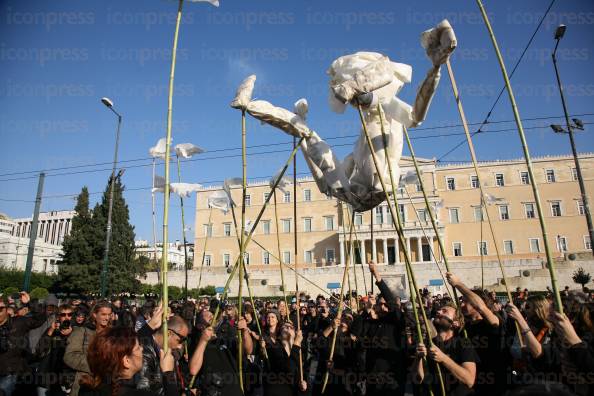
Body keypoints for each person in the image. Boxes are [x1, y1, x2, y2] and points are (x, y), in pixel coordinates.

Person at [446, 272, 506, 396]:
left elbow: (481, 307)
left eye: (465, 301)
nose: (461, 305)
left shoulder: (493, 321)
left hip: (494, 381)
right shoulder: (465, 329)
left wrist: (458, 284)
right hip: (472, 384)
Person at [78, 326, 176, 396]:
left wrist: (150, 325)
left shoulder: (88, 390)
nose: (142, 349)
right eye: (138, 348)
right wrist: (168, 373)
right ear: (126, 361)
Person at [415, 303, 478, 395]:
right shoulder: (428, 343)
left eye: (445, 311)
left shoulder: (464, 343)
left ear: (455, 323)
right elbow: (418, 379)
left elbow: (469, 380)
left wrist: (443, 358)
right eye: (440, 310)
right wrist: (419, 358)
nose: (438, 311)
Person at [189, 309, 252, 396]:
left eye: (212, 314)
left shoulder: (226, 337)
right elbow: (193, 370)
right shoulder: (196, 343)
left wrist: (245, 331)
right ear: (200, 325)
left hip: (234, 391)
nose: (211, 316)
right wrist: (203, 340)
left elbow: (248, 350)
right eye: (206, 315)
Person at [136, 300, 190, 394]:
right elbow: (145, 390)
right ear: (169, 333)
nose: (180, 345)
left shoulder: (167, 353)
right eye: (180, 340)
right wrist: (167, 373)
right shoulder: (145, 353)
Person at [0, 291, 47, 396]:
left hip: (11, 373)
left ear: (7, 310)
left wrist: (30, 303)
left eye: (0, 309)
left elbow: (39, 319)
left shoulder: (18, 322)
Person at [64, 300, 113, 396]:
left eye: (109, 314)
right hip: (84, 385)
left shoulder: (113, 333)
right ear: (95, 315)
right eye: (103, 314)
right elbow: (69, 356)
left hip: (108, 385)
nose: (107, 318)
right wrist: (96, 364)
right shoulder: (82, 331)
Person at [36, 303, 76, 396]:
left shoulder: (76, 331)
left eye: (69, 314)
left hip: (65, 378)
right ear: (58, 316)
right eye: (63, 315)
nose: (66, 317)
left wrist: (69, 335)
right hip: (46, 376)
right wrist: (50, 331)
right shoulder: (51, 330)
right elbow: (40, 350)